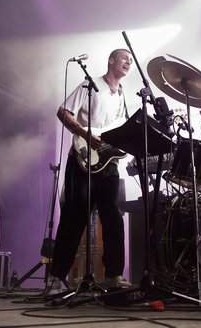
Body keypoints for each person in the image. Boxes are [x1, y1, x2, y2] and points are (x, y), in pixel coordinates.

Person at [51, 49, 133, 289]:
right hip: (82, 160)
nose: (128, 61)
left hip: (109, 164)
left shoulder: (122, 95)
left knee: (114, 220)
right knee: (74, 218)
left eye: (130, 59)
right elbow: (63, 111)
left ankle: (113, 276)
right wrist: (85, 133)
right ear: (111, 60)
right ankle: (56, 277)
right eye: (124, 57)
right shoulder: (90, 84)